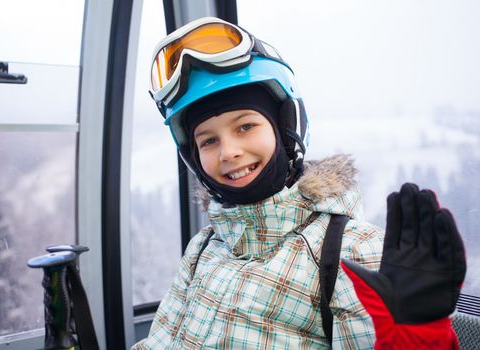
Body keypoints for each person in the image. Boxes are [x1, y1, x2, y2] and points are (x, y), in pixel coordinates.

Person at [133, 17, 465, 349]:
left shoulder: (350, 251)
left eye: (245, 126)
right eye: (208, 141)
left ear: (286, 129)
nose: (229, 152)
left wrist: (419, 338)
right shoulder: (204, 247)